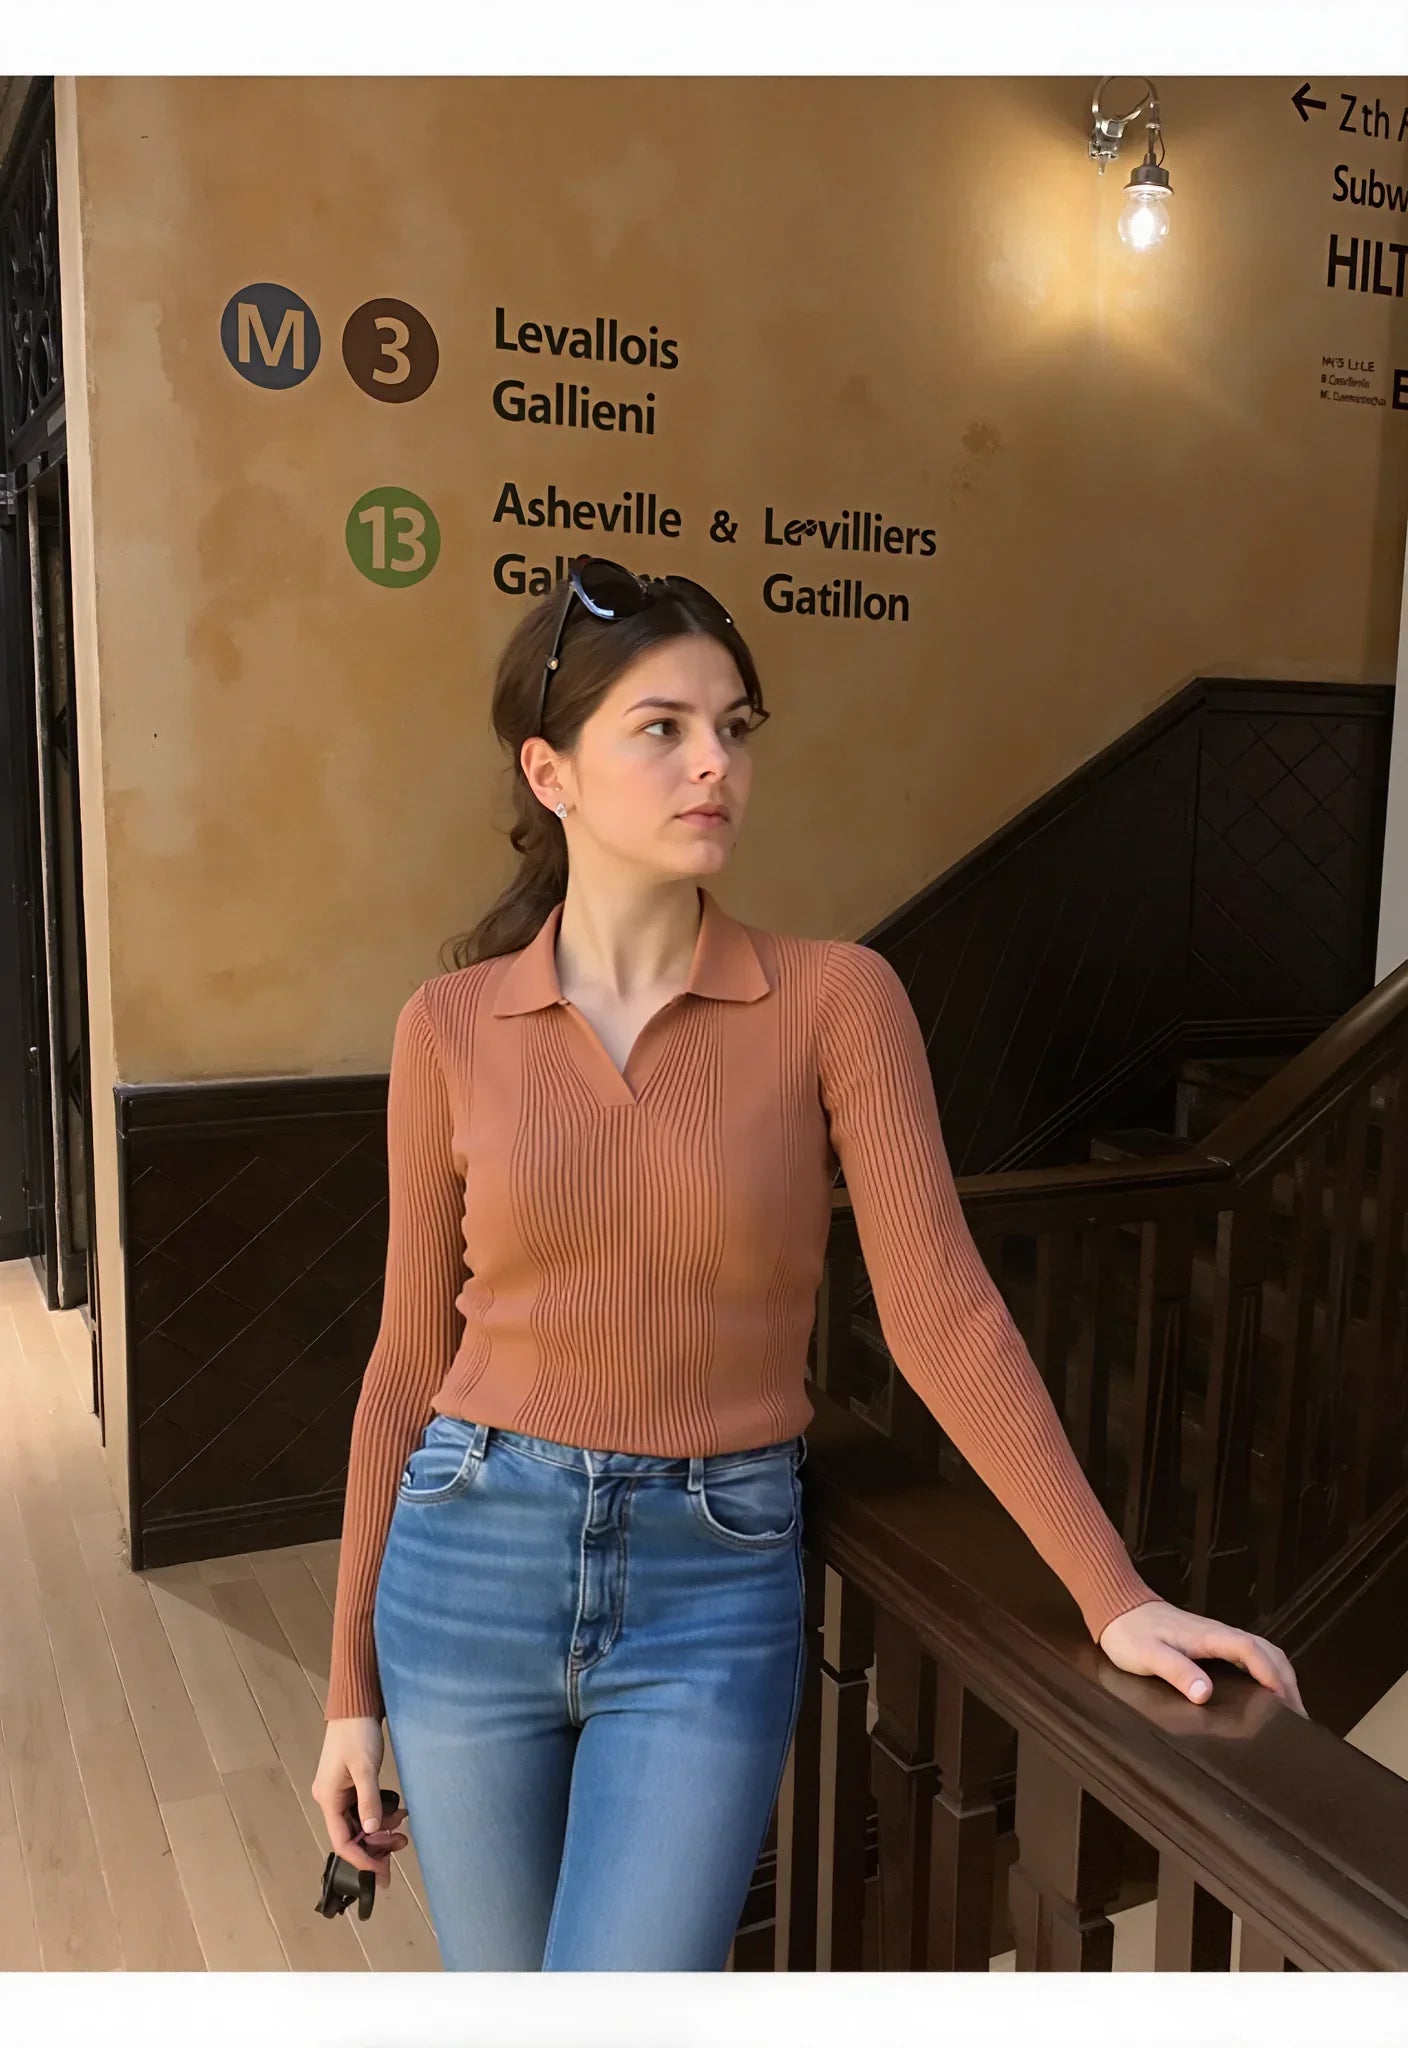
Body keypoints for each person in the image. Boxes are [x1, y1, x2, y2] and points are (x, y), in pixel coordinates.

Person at [311, 555, 1304, 1971]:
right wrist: (349, 1690)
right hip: (470, 1549)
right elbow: (408, 1356)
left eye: (736, 727)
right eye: (664, 727)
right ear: (553, 772)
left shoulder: (838, 999)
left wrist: (1115, 1594)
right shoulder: (449, 1026)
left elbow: (944, 1312)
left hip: (712, 1577)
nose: (715, 761)